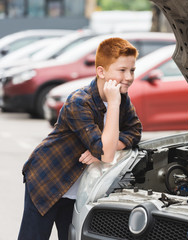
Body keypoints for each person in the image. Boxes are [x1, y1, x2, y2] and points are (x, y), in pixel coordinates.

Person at [18, 37, 142, 240]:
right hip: (48, 179)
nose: (128, 77)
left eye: (132, 70)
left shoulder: (121, 99)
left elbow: (134, 131)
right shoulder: (79, 102)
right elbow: (106, 153)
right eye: (122, 70)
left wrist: (102, 152)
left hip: (78, 188)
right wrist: (112, 108)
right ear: (101, 71)